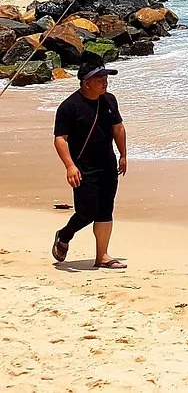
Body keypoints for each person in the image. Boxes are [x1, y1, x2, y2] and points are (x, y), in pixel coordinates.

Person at [51, 60, 127, 269]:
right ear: (86, 83)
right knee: (87, 212)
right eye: (100, 79)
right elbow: (60, 138)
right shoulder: (69, 107)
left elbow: (118, 128)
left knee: (105, 209)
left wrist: (123, 155)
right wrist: (69, 166)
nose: (105, 83)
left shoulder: (109, 101)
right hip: (83, 167)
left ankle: (102, 256)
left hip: (108, 164)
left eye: (106, 79)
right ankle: (64, 235)